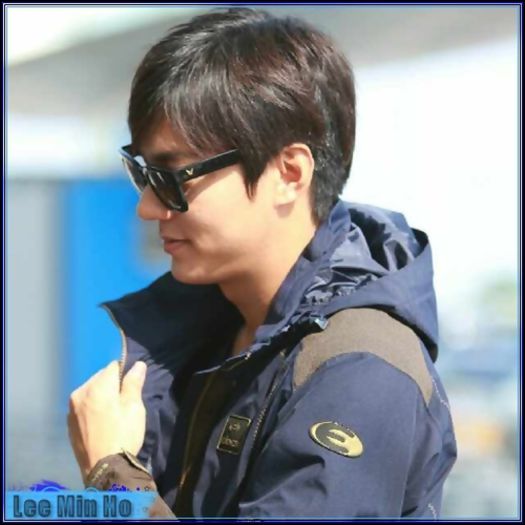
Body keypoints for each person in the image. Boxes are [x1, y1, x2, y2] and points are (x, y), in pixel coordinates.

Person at [67, 6, 457, 519]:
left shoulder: (358, 369)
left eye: (174, 178)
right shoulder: (207, 333)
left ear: (289, 173)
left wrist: (112, 476)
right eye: (143, 174)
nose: (147, 207)